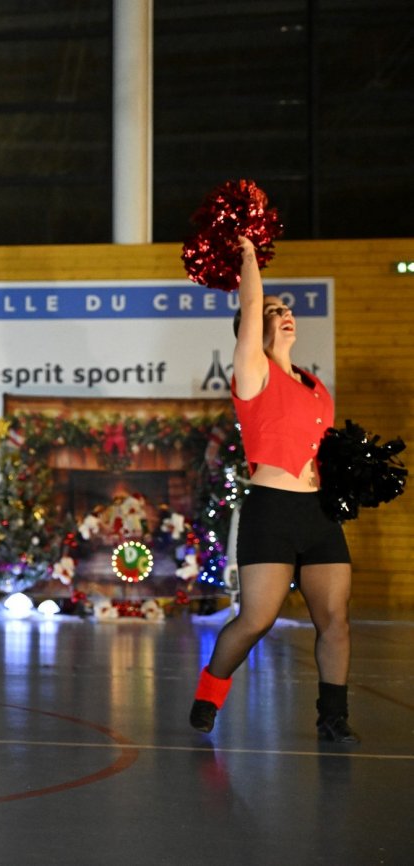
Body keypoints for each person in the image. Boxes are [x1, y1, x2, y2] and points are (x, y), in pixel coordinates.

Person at [189, 237, 357, 743]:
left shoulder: (314, 385)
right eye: (272, 310)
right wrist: (248, 256)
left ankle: (333, 718)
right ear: (251, 326)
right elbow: (250, 303)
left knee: (335, 620)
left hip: (319, 513)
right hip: (272, 511)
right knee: (256, 620)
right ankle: (209, 692)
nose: (284, 314)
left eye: (286, 309)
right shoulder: (252, 372)